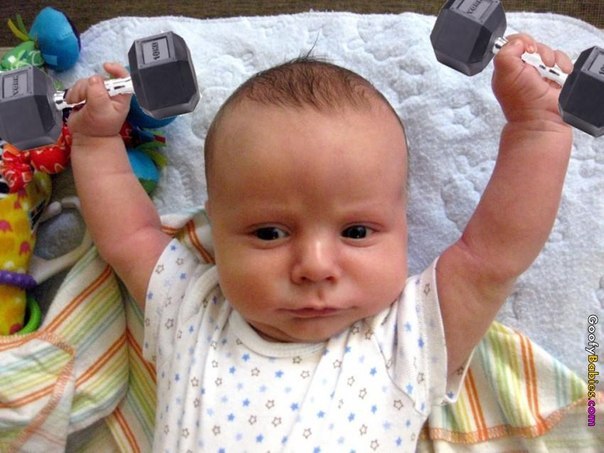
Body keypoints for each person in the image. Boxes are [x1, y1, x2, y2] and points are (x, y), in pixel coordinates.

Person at [66, 33, 573, 451]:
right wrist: (95, 141)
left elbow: (492, 257)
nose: (314, 266)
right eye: (270, 233)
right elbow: (131, 236)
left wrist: (538, 128)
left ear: (403, 225)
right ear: (215, 228)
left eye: (356, 232)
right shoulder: (194, 309)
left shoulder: (406, 336)